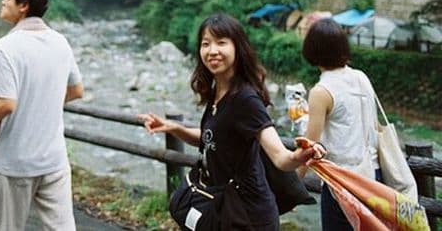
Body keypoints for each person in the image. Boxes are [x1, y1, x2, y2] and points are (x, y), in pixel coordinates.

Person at [138, 13, 325, 230]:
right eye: (205, 44)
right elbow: (215, 138)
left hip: (249, 215)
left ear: (238, 48)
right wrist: (174, 128)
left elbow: (280, 157)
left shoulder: (246, 100)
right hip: (226, 205)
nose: (212, 51)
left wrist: (297, 157)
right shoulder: (217, 91)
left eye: (221, 43)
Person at [0, 0, 84, 231]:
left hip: (15, 162)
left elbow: (6, 104)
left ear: (23, 5)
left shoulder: (6, 47)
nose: (2, 1)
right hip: (54, 160)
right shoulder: (60, 41)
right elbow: (77, 90)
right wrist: (42, 102)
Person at [300, 18, 380, 231]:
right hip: (373, 176)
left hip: (342, 181)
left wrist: (292, 185)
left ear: (312, 50)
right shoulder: (361, 77)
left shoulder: (321, 91)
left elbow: (310, 147)